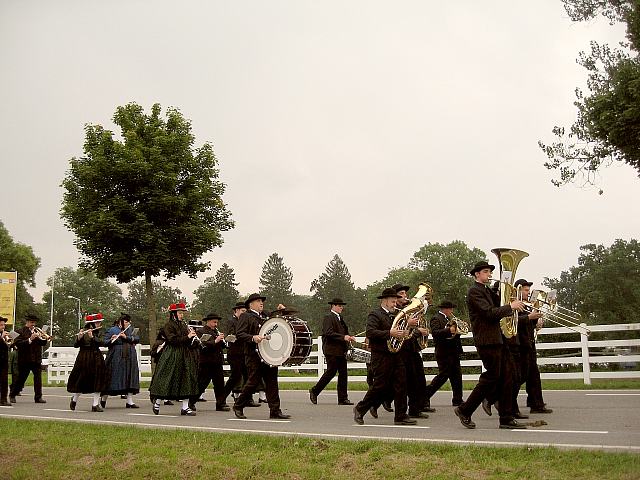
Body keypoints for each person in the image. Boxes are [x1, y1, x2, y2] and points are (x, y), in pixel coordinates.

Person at [453, 261, 526, 430]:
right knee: (491, 377)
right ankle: (465, 409)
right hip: (486, 340)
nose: (489, 274)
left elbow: (500, 304)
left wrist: (510, 297)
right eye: (485, 272)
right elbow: (489, 313)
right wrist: (510, 306)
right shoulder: (474, 292)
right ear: (477, 274)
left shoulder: (487, 290)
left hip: (498, 339)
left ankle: (506, 418)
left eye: (489, 272)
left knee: (508, 376)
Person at [353, 287, 417, 426]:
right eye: (393, 301)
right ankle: (360, 408)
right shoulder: (375, 315)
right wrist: (390, 333)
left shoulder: (396, 315)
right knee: (379, 386)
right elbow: (370, 333)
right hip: (381, 355)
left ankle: (400, 415)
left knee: (401, 384)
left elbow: (402, 332)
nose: (395, 304)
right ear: (385, 301)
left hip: (395, 354)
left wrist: (408, 328)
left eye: (395, 301)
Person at [232, 293, 290, 420]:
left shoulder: (266, 315)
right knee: (253, 382)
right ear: (250, 304)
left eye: (262, 301)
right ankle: (238, 405)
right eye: (258, 301)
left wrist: (282, 311)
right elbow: (240, 334)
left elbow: (279, 322)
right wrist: (252, 338)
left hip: (268, 355)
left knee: (272, 383)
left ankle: (275, 410)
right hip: (253, 355)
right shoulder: (245, 316)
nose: (261, 303)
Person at [149, 303, 200, 416]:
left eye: (182, 313)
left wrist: (193, 340)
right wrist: (188, 337)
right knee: (167, 378)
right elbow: (172, 340)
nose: (182, 315)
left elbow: (186, 341)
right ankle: (157, 402)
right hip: (172, 354)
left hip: (184, 355)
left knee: (186, 379)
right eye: (180, 313)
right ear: (174, 314)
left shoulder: (184, 325)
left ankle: (185, 407)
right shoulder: (168, 326)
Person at [513, 279, 553, 414]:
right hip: (520, 344)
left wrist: (537, 320)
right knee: (521, 375)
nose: (528, 292)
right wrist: (529, 318)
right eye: (525, 290)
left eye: (528, 290)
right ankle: (495, 397)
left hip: (529, 342)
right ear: (518, 290)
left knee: (533, 375)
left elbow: (530, 322)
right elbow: (512, 322)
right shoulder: (513, 304)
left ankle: (536, 404)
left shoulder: (527, 305)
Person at [393, 284, 430, 419]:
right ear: (395, 297)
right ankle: (375, 403)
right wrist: (417, 331)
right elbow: (401, 330)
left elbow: (416, 325)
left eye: (405, 294)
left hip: (413, 348)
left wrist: (421, 331)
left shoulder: (409, 309)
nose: (405, 296)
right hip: (402, 349)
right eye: (401, 294)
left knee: (419, 379)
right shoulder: (396, 312)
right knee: (404, 382)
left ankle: (415, 409)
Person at [309, 298, 355, 405]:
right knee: (331, 372)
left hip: (341, 350)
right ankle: (315, 391)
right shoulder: (328, 317)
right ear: (333, 306)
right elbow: (328, 332)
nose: (341, 307)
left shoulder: (340, 318)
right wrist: (343, 337)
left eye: (342, 306)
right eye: (339, 305)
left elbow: (343, 332)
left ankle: (343, 398)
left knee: (343, 374)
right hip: (331, 350)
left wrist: (348, 338)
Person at [424, 301, 464, 409]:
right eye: (450, 309)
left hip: (453, 351)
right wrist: (449, 330)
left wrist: (459, 330)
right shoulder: (436, 318)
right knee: (443, 376)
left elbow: (455, 333)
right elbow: (436, 333)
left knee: (457, 376)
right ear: (445, 309)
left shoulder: (450, 320)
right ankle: (425, 395)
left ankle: (458, 399)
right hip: (444, 352)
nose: (452, 311)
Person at [67, 313, 110, 411]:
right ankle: (74, 399)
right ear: (92, 323)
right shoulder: (83, 331)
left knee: (98, 380)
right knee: (82, 380)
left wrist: (92, 337)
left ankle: (95, 405)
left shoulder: (99, 332)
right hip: (84, 357)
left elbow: (102, 343)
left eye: (99, 322)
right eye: (97, 322)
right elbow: (76, 345)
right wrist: (79, 338)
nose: (99, 324)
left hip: (96, 357)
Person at [101, 313, 140, 409]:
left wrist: (126, 337)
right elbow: (104, 342)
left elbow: (137, 339)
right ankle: (103, 398)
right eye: (126, 322)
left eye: (128, 322)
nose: (128, 324)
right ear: (120, 322)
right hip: (116, 356)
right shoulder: (113, 330)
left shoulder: (130, 329)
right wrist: (111, 339)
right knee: (113, 377)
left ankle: (129, 401)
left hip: (130, 356)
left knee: (130, 376)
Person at [9, 313, 49, 404]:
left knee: (38, 379)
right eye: (31, 322)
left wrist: (44, 337)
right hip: (24, 360)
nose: (33, 324)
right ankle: (12, 394)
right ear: (27, 322)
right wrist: (30, 339)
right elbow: (18, 344)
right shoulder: (19, 331)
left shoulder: (37, 331)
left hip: (36, 359)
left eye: (34, 322)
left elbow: (42, 344)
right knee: (21, 379)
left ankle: (38, 397)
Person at [197, 313, 230, 411]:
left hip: (217, 362)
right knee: (202, 383)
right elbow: (202, 346)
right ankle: (191, 402)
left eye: (217, 322)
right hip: (206, 362)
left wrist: (224, 341)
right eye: (214, 322)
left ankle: (221, 404)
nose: (216, 324)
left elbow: (222, 346)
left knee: (220, 384)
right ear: (208, 321)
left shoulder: (216, 331)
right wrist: (215, 341)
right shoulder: (201, 331)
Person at [0, 316, 12, 406]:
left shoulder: (4, 334)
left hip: (3, 361)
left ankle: (3, 399)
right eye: (1, 325)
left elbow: (8, 346)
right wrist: (1, 338)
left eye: (4, 325)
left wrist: (10, 341)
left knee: (4, 381)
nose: (3, 327)